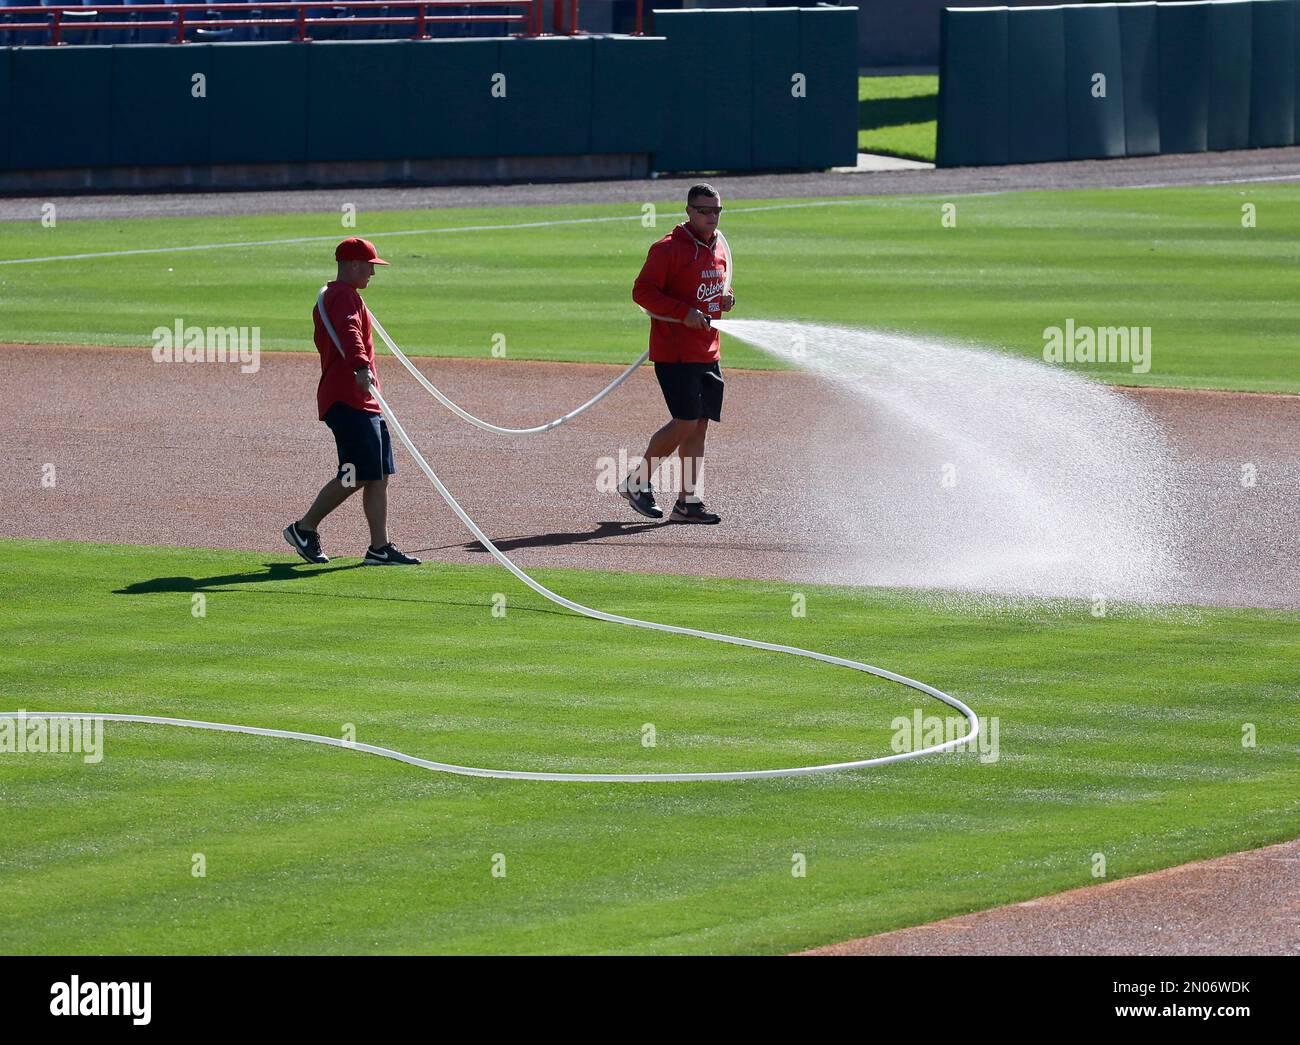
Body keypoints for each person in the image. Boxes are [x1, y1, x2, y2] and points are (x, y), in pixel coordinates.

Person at [283, 237, 422, 566]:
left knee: (378, 473)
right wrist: (361, 366)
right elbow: (349, 333)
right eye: (370, 266)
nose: (373, 273)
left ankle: (379, 547)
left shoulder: (345, 296)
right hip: (348, 398)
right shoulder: (342, 296)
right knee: (357, 472)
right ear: (354, 265)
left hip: (363, 400)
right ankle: (304, 528)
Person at [618, 183, 735, 523]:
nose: (711, 216)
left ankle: (688, 502)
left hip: (708, 352)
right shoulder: (667, 249)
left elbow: (715, 289)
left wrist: (726, 300)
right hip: (676, 354)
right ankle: (637, 482)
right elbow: (642, 292)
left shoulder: (719, 248)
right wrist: (684, 313)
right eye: (704, 210)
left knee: (699, 425)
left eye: (716, 210)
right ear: (688, 211)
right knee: (685, 421)